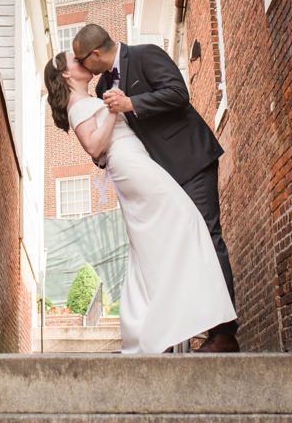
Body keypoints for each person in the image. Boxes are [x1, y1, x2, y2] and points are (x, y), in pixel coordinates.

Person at [44, 49, 235, 354]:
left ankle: (165, 327)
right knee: (186, 222)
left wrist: (120, 109)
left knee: (156, 244)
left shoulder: (136, 62)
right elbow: (95, 147)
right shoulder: (84, 101)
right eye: (74, 61)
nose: (80, 61)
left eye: (83, 57)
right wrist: (116, 111)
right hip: (132, 166)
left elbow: (175, 94)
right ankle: (191, 325)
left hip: (146, 161)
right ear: (66, 74)